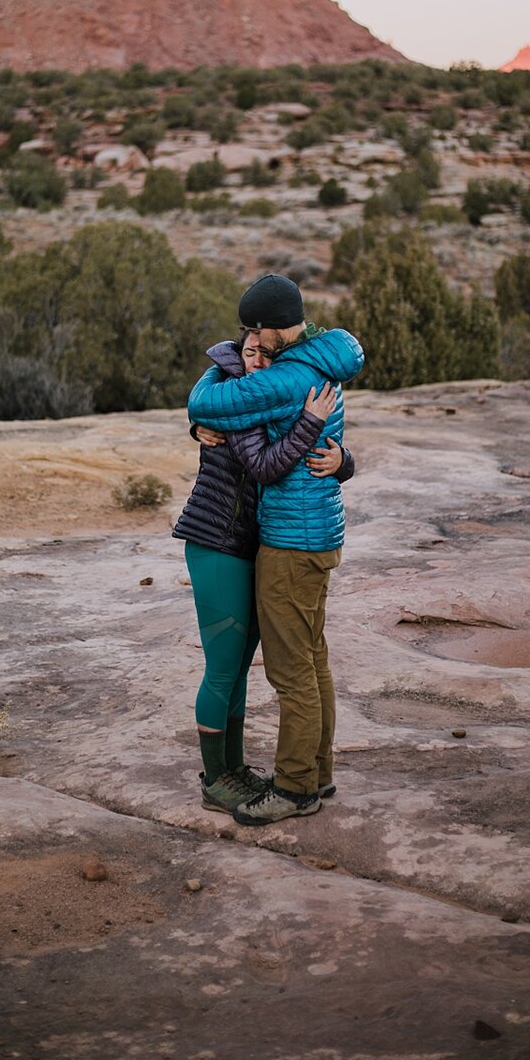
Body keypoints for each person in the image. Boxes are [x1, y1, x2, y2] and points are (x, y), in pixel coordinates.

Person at [186, 274, 364, 826]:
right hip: (317, 533)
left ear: (269, 327)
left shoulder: (287, 379)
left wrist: (201, 414)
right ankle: (319, 770)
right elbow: (214, 419)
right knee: (313, 658)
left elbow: (205, 400)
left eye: (255, 332)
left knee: (291, 672)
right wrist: (200, 429)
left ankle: (293, 788)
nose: (253, 343)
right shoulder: (327, 354)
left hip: (290, 539)